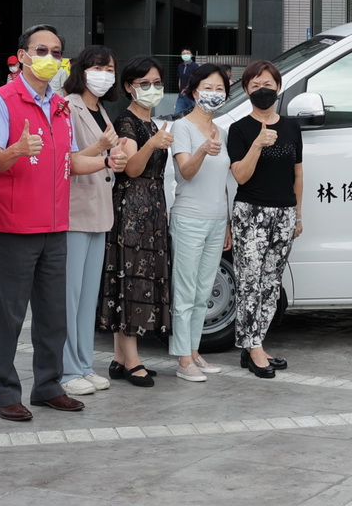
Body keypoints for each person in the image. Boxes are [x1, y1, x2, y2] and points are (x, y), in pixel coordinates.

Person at [0, 24, 115, 419]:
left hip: (57, 225)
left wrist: (107, 161)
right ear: (22, 55)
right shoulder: (2, 102)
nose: (50, 58)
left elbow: (71, 162)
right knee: (7, 314)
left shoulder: (59, 106)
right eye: (42, 50)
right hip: (15, 226)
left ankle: (48, 383)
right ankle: (4, 392)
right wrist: (18, 149)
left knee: (53, 313)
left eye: (57, 52)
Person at [101, 57, 175, 384]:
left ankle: (119, 358)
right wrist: (152, 145)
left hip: (152, 209)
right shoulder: (127, 123)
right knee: (130, 280)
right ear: (130, 86)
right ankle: (131, 360)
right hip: (131, 209)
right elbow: (130, 168)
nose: (152, 89)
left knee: (135, 279)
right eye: (144, 83)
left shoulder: (153, 124)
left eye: (157, 83)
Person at [227, 59, 303, 376]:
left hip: (284, 213)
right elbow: (241, 176)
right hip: (251, 214)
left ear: (278, 87)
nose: (262, 90)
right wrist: (258, 143)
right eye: (255, 85)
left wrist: (298, 215)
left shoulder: (291, 127)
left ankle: (255, 343)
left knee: (271, 283)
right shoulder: (239, 129)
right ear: (246, 90)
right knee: (249, 283)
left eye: (267, 84)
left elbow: (298, 173)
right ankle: (253, 348)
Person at [62, 46, 131, 393]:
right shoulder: (68, 105)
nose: (104, 73)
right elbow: (67, 159)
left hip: (99, 210)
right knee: (69, 296)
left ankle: (84, 364)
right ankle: (67, 370)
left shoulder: (101, 109)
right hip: (75, 211)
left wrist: (112, 157)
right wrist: (103, 150)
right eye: (98, 67)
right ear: (82, 69)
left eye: (110, 68)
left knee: (88, 295)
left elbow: (104, 156)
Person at [168, 63, 237, 381]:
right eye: (207, 88)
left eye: (219, 88)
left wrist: (225, 224)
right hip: (189, 219)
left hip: (214, 220)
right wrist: (202, 151)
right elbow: (186, 172)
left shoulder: (220, 131)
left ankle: (194, 351)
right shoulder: (181, 127)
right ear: (194, 91)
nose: (213, 94)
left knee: (202, 291)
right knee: (184, 291)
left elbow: (223, 181)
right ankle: (183, 360)